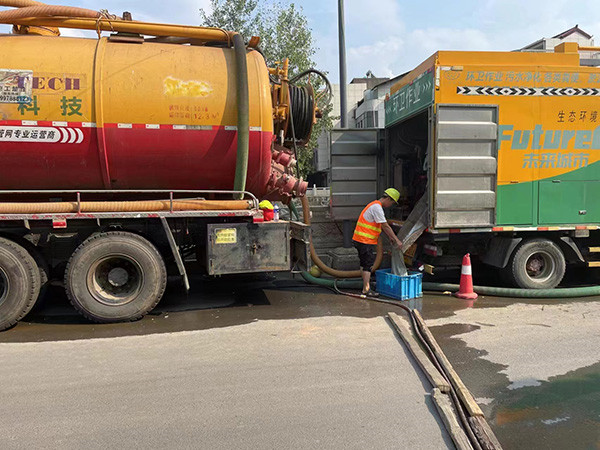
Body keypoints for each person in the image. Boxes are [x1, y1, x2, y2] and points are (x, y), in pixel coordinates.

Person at [352, 188, 403, 297]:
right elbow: (385, 225)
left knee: (364, 263)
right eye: (392, 203)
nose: (391, 205)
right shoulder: (377, 208)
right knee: (368, 265)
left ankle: (366, 285)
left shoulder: (374, 205)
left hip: (360, 240)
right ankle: (366, 289)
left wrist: (390, 237)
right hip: (365, 241)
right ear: (388, 199)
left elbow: (376, 225)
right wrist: (396, 240)